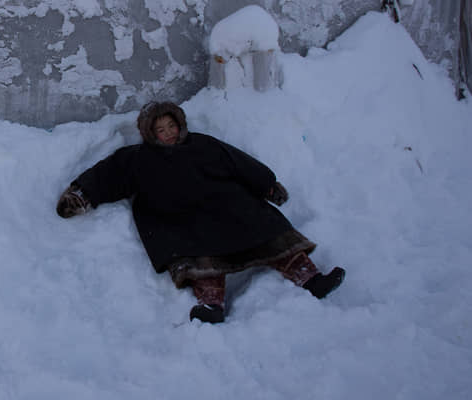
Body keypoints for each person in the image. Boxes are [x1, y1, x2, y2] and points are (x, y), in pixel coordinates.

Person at [56, 101, 344, 324]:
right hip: (178, 217)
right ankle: (211, 304)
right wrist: (80, 195)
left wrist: (267, 184)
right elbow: (108, 176)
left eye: (172, 126)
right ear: (149, 133)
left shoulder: (203, 144)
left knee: (264, 226)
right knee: (197, 253)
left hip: (227, 206)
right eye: (161, 130)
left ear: (180, 125)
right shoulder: (137, 159)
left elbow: (238, 163)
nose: (168, 133)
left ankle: (310, 278)